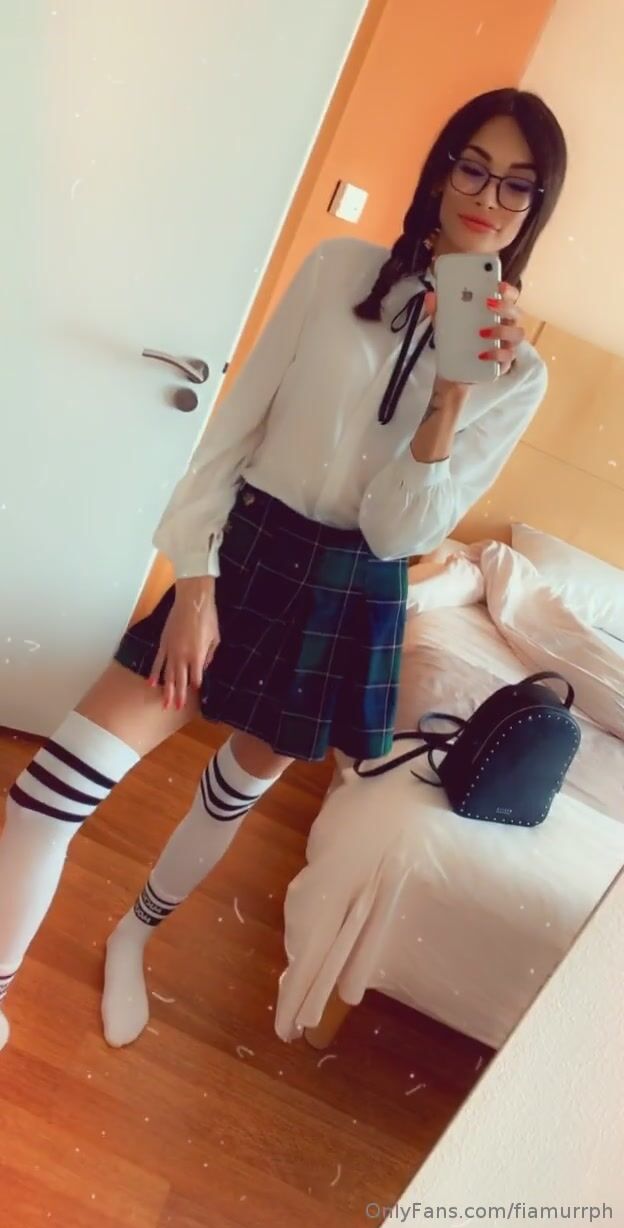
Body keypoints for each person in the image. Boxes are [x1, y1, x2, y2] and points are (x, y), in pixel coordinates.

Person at [0, 88, 567, 1051]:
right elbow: (230, 437)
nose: (488, 197)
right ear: (440, 169)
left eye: (518, 185)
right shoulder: (338, 271)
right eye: (472, 166)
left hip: (350, 592)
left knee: (233, 791)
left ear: (535, 209)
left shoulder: (517, 377)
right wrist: (194, 582)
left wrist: (452, 397)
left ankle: (134, 934)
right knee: (47, 796)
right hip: (246, 553)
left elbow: (397, 532)